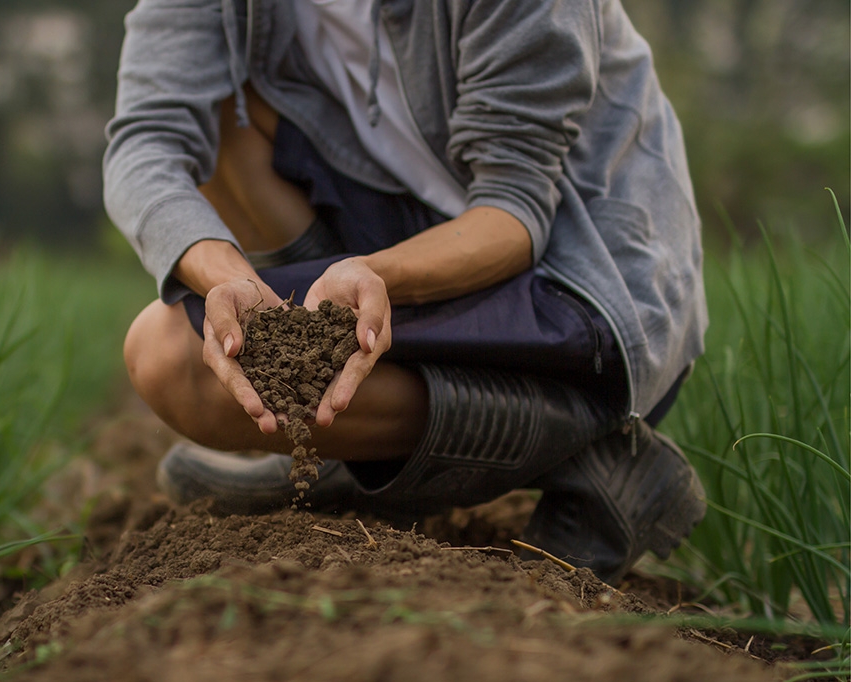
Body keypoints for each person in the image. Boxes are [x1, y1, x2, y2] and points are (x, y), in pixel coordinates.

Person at [105, 0, 709, 584]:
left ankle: (583, 442)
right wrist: (230, 279)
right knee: (223, 126)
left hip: (578, 274)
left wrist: (378, 275)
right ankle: (356, 443)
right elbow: (146, 140)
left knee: (172, 361)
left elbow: (515, 206)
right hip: (402, 221)